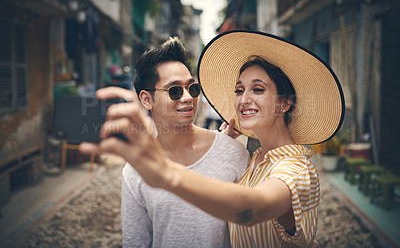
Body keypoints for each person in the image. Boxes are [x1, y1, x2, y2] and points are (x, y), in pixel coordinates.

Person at [81, 31, 344, 247]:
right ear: (146, 99)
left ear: (284, 102)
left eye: (258, 89)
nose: (243, 99)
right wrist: (221, 143)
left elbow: (251, 209)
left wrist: (167, 173)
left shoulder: (295, 169)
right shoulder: (256, 159)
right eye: (239, 90)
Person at [91, 37, 248, 247]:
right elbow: (135, 241)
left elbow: (252, 230)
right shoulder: (137, 169)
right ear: (147, 99)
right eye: (174, 90)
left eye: (192, 89)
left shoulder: (233, 153)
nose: (187, 98)